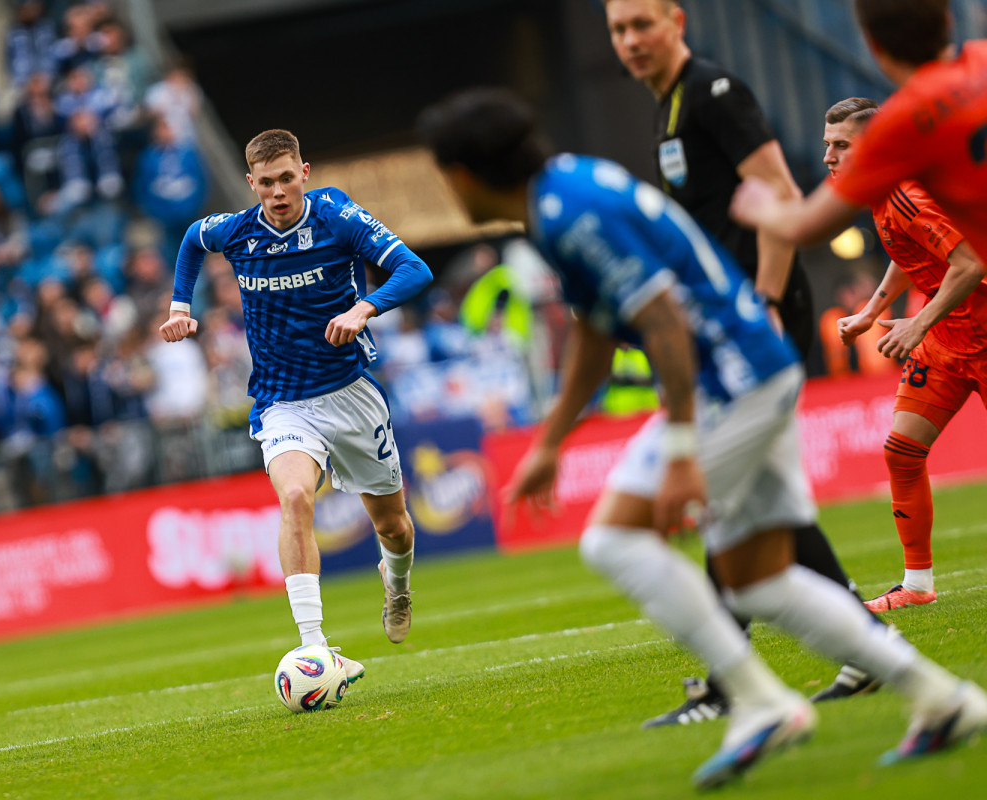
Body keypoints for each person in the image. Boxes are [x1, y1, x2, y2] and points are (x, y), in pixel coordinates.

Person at [418, 88, 987, 788]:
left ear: (464, 173)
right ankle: (942, 701)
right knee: (760, 581)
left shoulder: (568, 213)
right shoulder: (568, 188)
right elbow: (597, 330)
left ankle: (757, 702)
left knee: (613, 541)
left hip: (734, 382)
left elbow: (662, 322)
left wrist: (684, 451)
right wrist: (551, 442)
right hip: (754, 370)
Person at [603, 0, 881, 722]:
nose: (630, 40)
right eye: (618, 29)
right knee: (757, 498)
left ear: (676, 20)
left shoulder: (713, 93)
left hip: (755, 319)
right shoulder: (670, 106)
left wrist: (763, 301)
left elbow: (782, 195)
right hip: (730, 322)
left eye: (642, 24)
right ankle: (866, 646)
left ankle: (731, 686)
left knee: (720, 494)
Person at [160, 129, 431, 687]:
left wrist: (364, 308)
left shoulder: (338, 218)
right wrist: (180, 306)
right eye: (266, 183)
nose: (278, 192)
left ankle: (398, 585)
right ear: (251, 183)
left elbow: (415, 269)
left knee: (395, 526)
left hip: (350, 394)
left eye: (287, 178)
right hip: (282, 401)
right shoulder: (237, 231)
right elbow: (191, 238)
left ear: (304, 172)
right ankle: (314, 648)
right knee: (296, 497)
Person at [822, 96, 987, 612]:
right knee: (902, 450)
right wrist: (872, 311)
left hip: (977, 334)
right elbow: (909, 250)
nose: (828, 157)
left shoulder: (907, 194)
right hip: (947, 341)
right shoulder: (884, 194)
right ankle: (916, 585)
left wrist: (918, 322)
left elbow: (969, 263)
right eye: (827, 144)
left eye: (841, 145)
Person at [731, 0, 987, 281]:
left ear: (872, 44)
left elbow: (805, 226)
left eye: (841, 145)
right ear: (949, 21)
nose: (829, 157)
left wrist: (762, 208)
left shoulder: (901, 123)